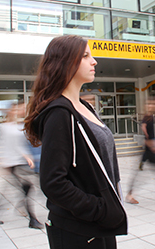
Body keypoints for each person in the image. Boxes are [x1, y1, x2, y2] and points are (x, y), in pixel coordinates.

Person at [24, 35, 127, 249]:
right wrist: (100, 209)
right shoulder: (59, 113)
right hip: (78, 230)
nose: (94, 61)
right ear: (66, 62)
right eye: (85, 56)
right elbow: (53, 182)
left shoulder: (84, 107)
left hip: (100, 225)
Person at [0, 103, 44, 229]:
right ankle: (32, 220)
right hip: (12, 163)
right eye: (20, 109)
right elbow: (8, 146)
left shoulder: (19, 126)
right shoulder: (4, 127)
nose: (22, 111)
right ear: (12, 111)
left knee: (17, 190)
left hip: (20, 162)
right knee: (25, 188)